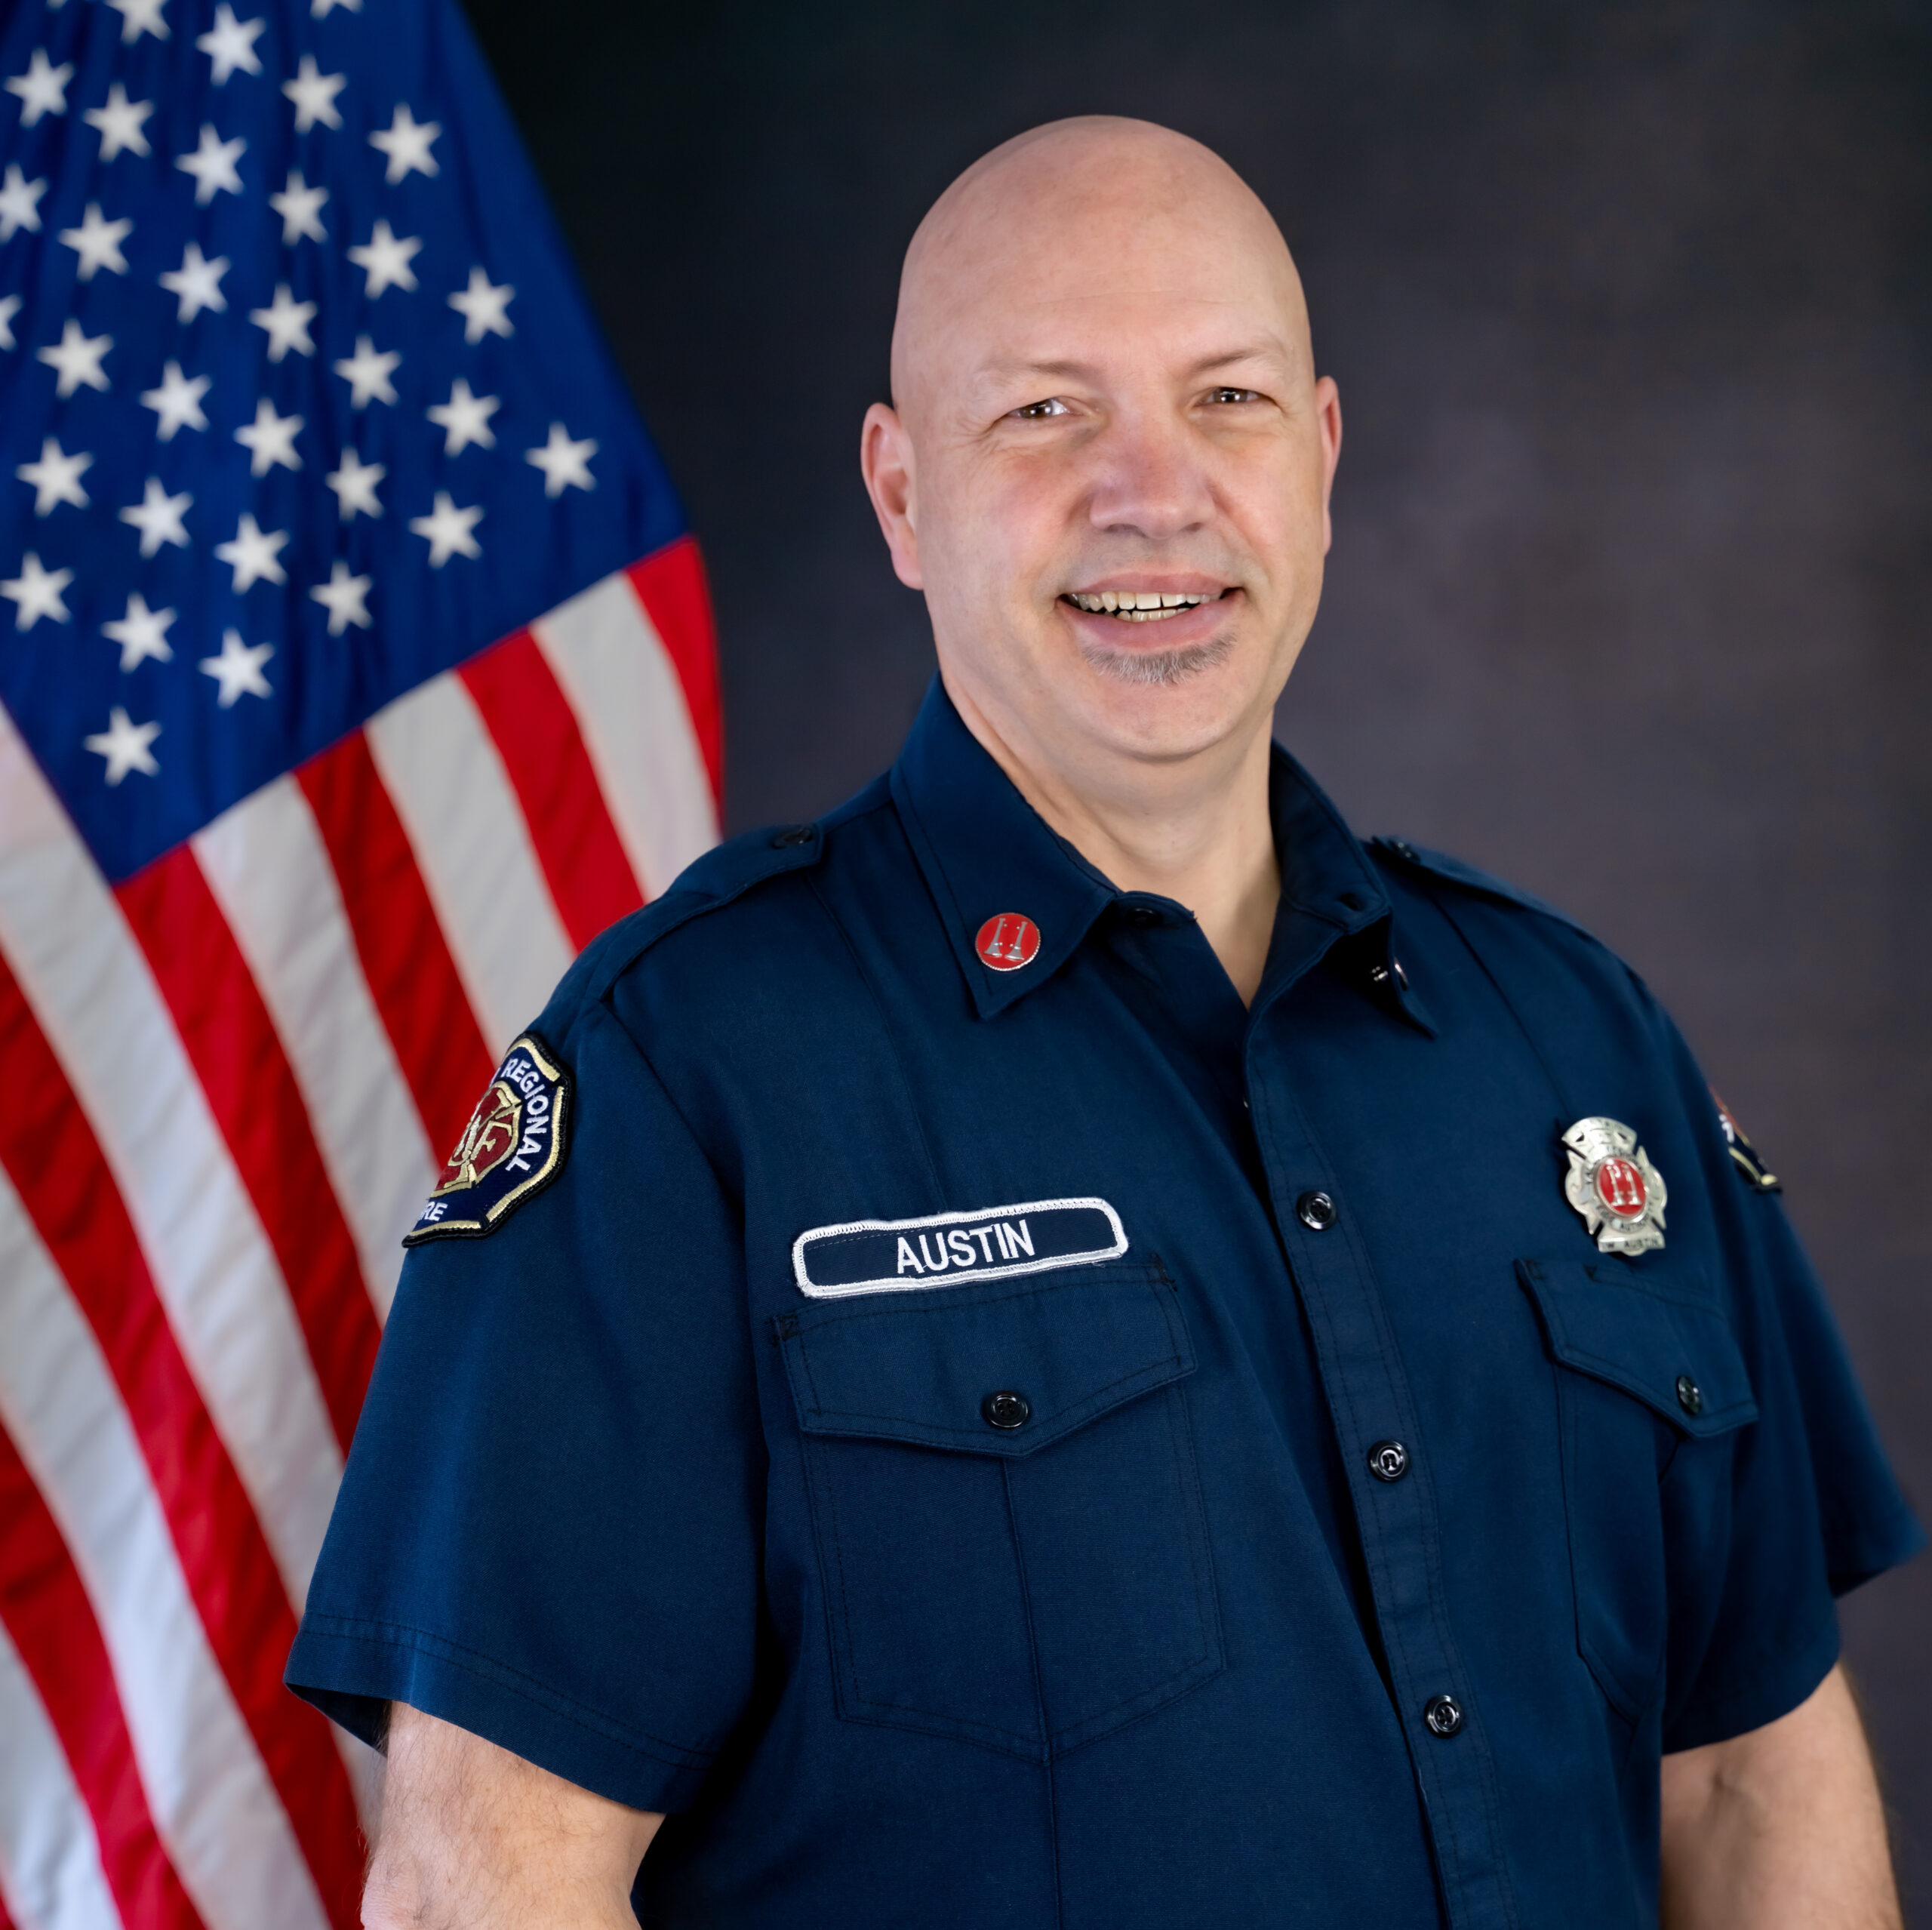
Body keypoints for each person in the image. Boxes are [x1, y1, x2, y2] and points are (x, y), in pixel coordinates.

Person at [288, 117, 1922, 1929]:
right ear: (901, 497)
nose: (1153, 493)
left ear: (1313, 456)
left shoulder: (1575, 1040)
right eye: (1045, 413)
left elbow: (1748, 1776)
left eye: (1221, 400)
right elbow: (485, 1890)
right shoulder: (690, 1077)